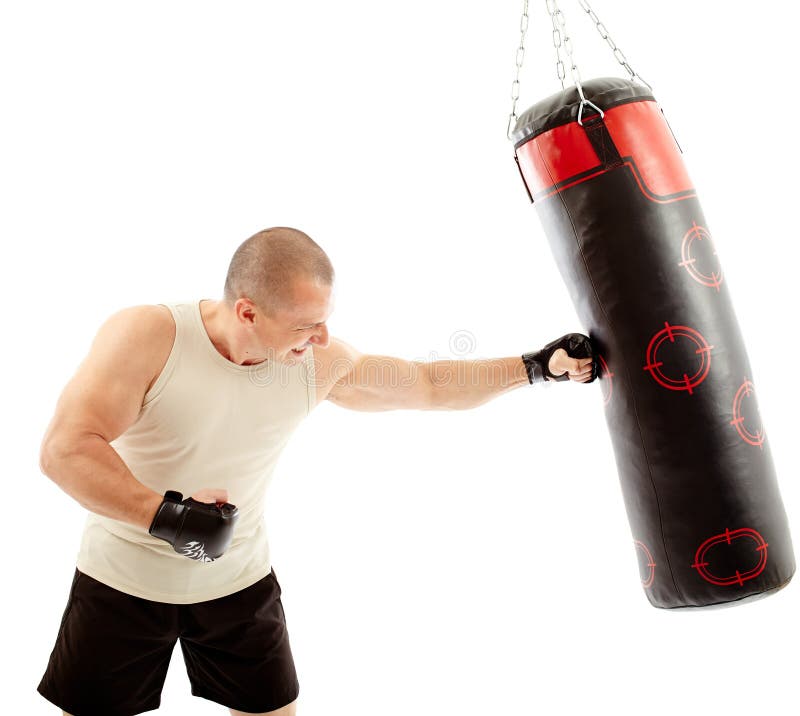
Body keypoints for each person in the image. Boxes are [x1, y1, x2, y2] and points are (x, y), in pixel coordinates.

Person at [36, 226, 595, 716]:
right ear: (248, 311)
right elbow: (66, 449)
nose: (322, 338)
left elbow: (427, 385)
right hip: (122, 580)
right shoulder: (149, 336)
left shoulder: (312, 363)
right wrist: (170, 516)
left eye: (325, 322)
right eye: (307, 324)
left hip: (237, 582)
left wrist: (536, 368)